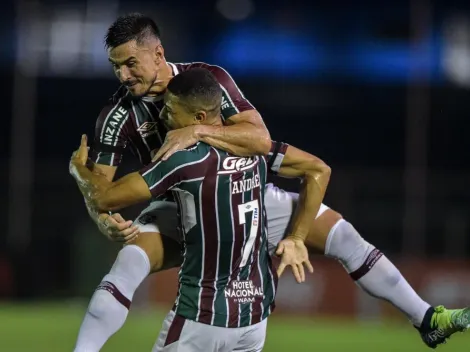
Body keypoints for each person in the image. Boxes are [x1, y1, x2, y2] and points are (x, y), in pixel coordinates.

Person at [84, 12, 469, 350]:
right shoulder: (117, 115)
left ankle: (425, 318)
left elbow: (259, 140)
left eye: (130, 63)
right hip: (183, 208)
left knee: (344, 236)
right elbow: (100, 188)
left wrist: (199, 133)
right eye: (116, 66)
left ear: (158, 53)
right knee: (128, 261)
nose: (123, 75)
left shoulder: (208, 79)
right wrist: (100, 215)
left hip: (249, 195)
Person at [70, 67, 329, 351]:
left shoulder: (184, 160)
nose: (163, 116)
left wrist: (79, 170)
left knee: (129, 260)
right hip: (254, 319)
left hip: (201, 317)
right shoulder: (256, 151)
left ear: (199, 118)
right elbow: (318, 169)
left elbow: (105, 198)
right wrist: (296, 238)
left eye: (170, 110)